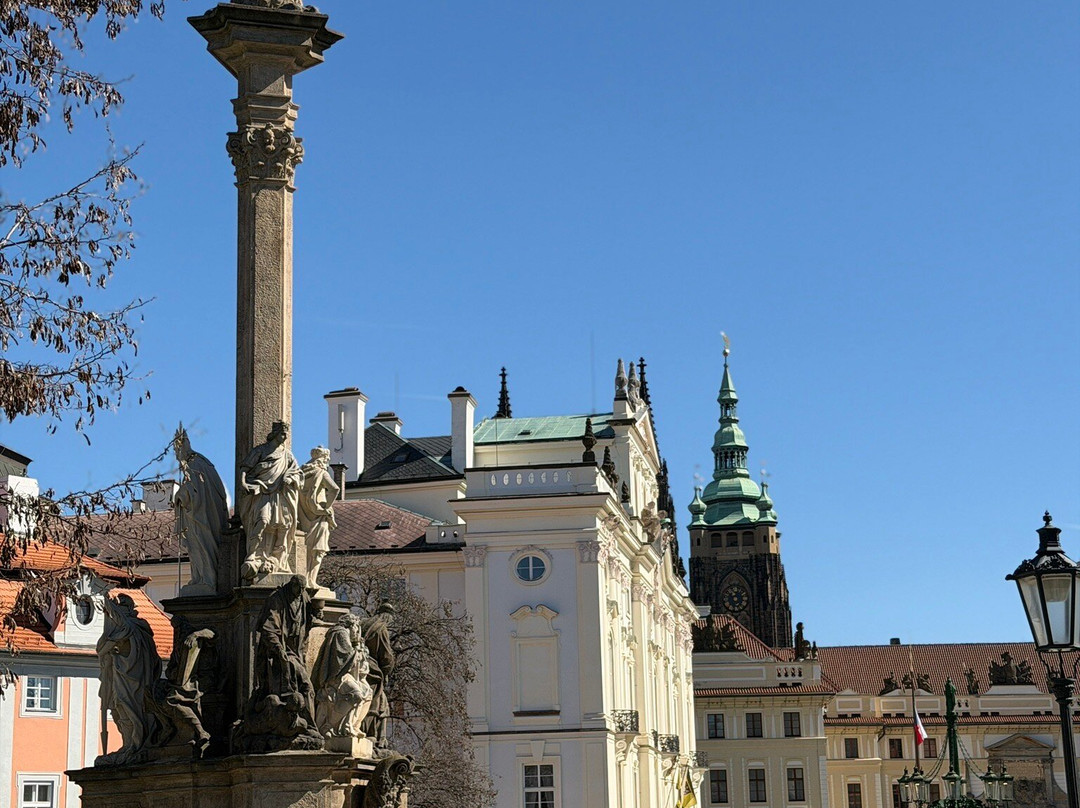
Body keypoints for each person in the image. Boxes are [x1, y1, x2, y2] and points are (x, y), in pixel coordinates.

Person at [97, 593, 161, 765]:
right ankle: (128, 745)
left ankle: (134, 745)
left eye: (122, 606)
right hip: (126, 677)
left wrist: (112, 651)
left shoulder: (130, 627)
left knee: (129, 710)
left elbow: (103, 649)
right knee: (121, 710)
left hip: (132, 679)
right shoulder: (133, 628)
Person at [238, 421, 302, 580]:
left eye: (286, 435)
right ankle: (252, 555)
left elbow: (298, 473)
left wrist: (290, 478)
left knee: (283, 525)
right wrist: (244, 483)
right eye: (282, 434)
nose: (284, 437)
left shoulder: (287, 455)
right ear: (275, 434)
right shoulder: (260, 451)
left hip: (280, 494)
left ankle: (277, 558)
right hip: (262, 493)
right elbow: (244, 469)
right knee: (262, 521)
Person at [172, 425, 229, 595]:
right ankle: (200, 578)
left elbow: (196, 490)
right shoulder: (201, 463)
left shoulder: (194, 463)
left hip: (200, 518)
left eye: (177, 450)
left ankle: (206, 579)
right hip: (201, 515)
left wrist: (180, 495)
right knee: (197, 547)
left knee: (201, 546)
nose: (176, 455)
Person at [312, 613, 373, 738]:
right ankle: (328, 725)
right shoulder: (340, 633)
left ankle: (352, 725)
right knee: (356, 694)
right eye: (356, 628)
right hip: (336, 677)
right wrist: (357, 649)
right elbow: (345, 657)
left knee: (368, 692)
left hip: (344, 675)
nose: (357, 632)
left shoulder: (344, 635)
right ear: (351, 625)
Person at [298, 446, 339, 589]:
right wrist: (326, 507)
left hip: (303, 515)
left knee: (306, 548)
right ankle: (311, 580)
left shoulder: (301, 473)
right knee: (318, 550)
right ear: (324, 459)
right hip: (319, 515)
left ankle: (304, 578)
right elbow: (335, 489)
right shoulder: (320, 473)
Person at [360, 601, 396, 752]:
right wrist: (387, 671)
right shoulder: (381, 629)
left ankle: (375, 737)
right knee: (376, 704)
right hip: (372, 670)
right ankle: (371, 736)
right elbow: (386, 657)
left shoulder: (363, 623)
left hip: (358, 666)